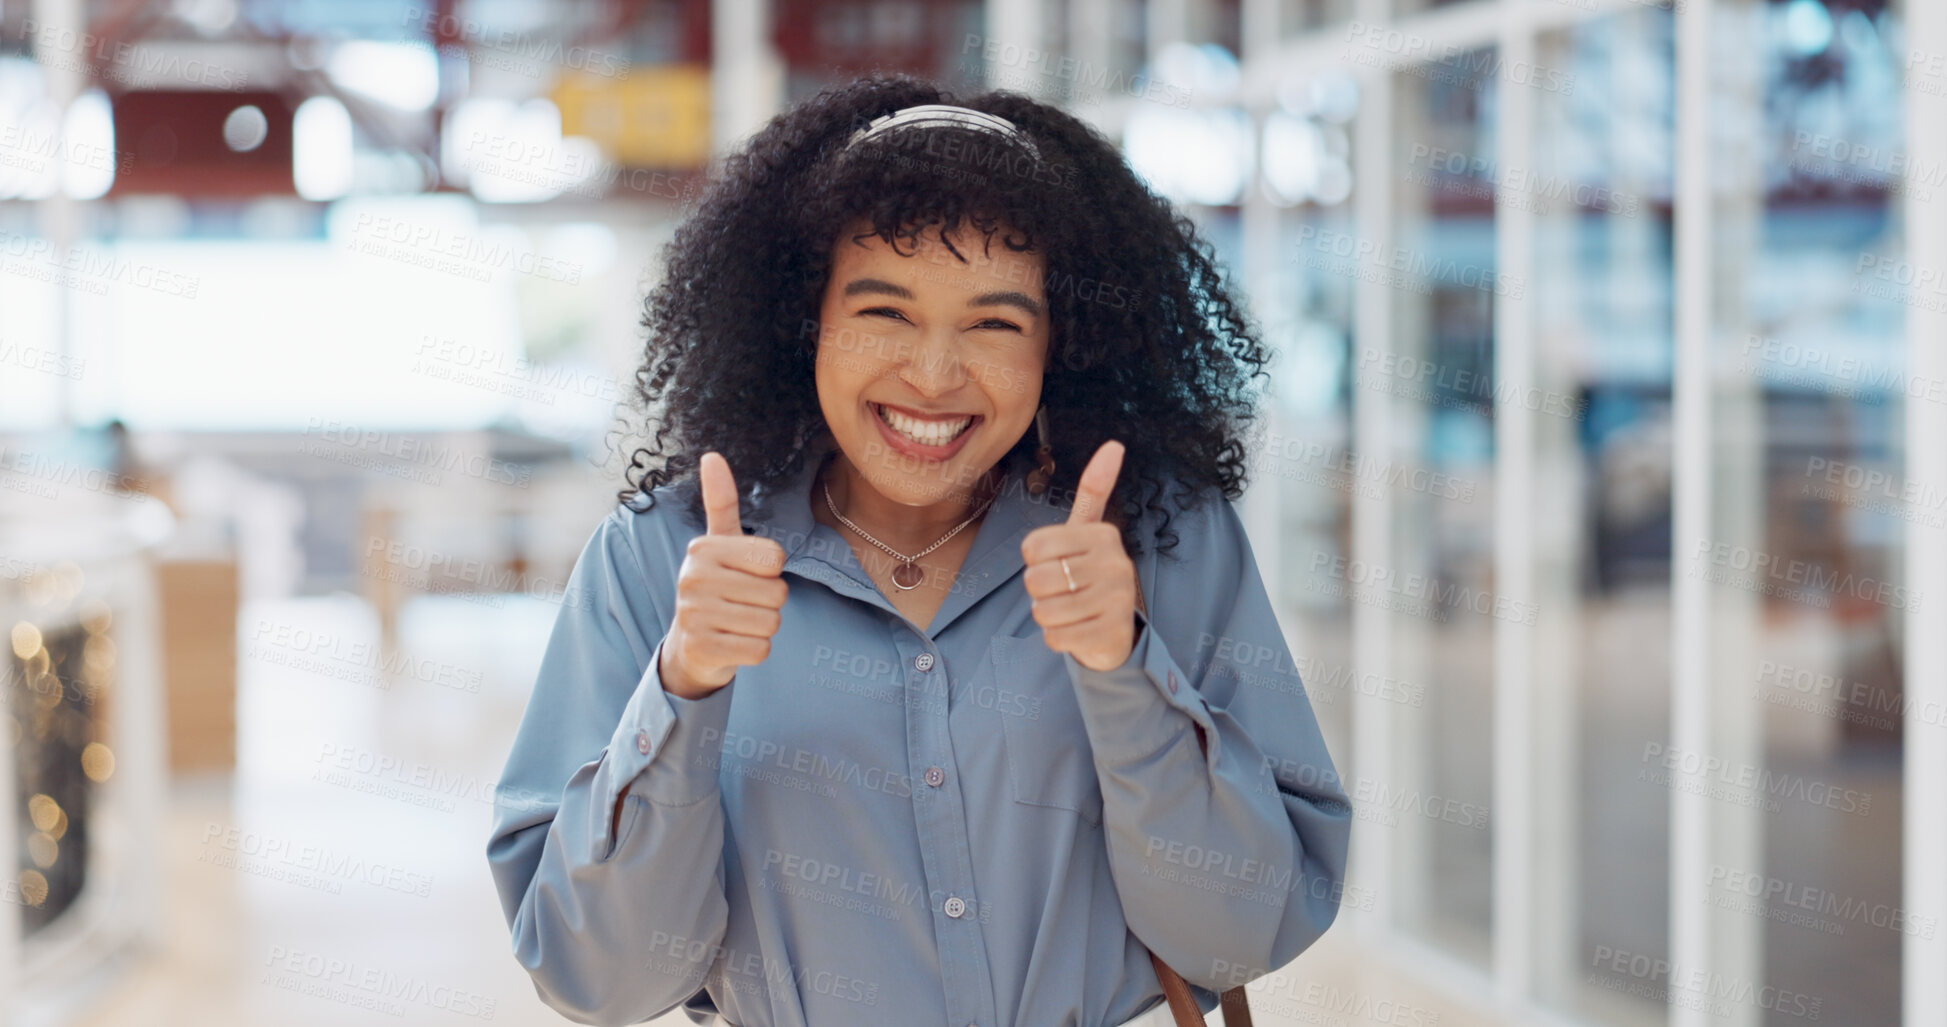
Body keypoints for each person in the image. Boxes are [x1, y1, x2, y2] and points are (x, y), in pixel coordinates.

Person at [486, 74, 1353, 1027]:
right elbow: (598, 982)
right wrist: (683, 690)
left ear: (1060, 344)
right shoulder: (660, 559)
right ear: (800, 320)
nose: (934, 377)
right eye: (884, 312)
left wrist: (1124, 671)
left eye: (993, 322)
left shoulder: (1157, 539)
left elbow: (1236, 938)